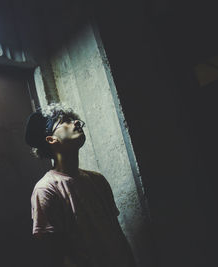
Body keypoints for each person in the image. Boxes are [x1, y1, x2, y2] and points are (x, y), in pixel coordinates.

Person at [25, 103, 136, 267]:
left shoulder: (97, 179)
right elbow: (56, 254)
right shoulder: (46, 189)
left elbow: (116, 233)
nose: (76, 123)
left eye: (74, 119)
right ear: (51, 139)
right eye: (65, 121)